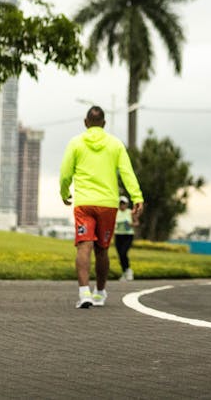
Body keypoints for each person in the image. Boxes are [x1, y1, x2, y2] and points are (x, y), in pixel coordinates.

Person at [60, 106, 144, 308]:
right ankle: (100, 292)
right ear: (104, 124)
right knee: (102, 250)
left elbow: (65, 172)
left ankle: (84, 293)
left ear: (85, 122)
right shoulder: (115, 144)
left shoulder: (76, 143)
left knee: (84, 246)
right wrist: (137, 197)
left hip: (84, 204)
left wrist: (64, 192)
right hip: (108, 204)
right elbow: (127, 173)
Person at [115, 194, 137, 281]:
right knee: (120, 254)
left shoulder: (130, 212)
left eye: (123, 203)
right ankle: (124, 272)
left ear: (127, 204)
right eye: (120, 203)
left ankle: (128, 270)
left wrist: (131, 224)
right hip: (118, 235)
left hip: (128, 235)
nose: (122, 205)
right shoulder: (116, 212)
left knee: (124, 252)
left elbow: (136, 223)